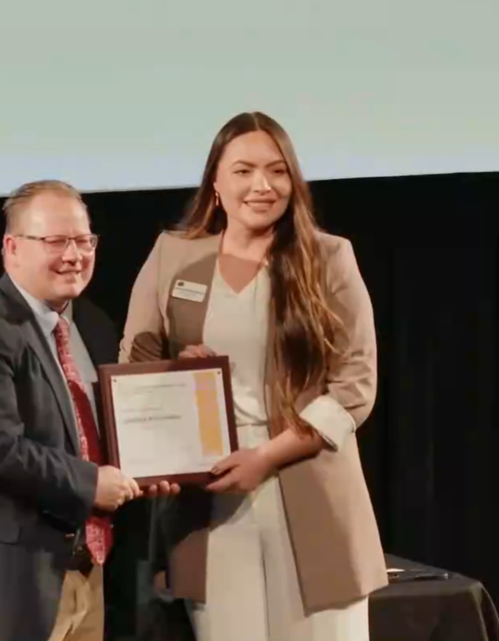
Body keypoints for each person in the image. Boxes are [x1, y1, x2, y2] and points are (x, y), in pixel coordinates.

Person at [119, 112, 388, 641]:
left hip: (312, 492)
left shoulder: (329, 257)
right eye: (243, 170)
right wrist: (175, 374)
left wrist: (267, 456)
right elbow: (136, 363)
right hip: (211, 501)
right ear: (215, 183)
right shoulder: (173, 255)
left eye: (277, 170)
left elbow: (356, 381)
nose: (261, 186)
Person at [0, 179, 175, 641]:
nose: (74, 254)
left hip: (88, 575)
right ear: (12, 248)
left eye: (84, 240)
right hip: (10, 587)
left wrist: (148, 464)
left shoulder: (90, 325)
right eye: (56, 241)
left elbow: (107, 429)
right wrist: (92, 483)